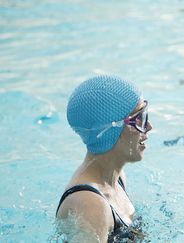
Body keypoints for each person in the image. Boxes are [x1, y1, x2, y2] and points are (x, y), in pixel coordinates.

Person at [56, 75, 152, 242]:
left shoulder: (117, 178)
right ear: (110, 130)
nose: (149, 127)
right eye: (139, 119)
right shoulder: (92, 206)